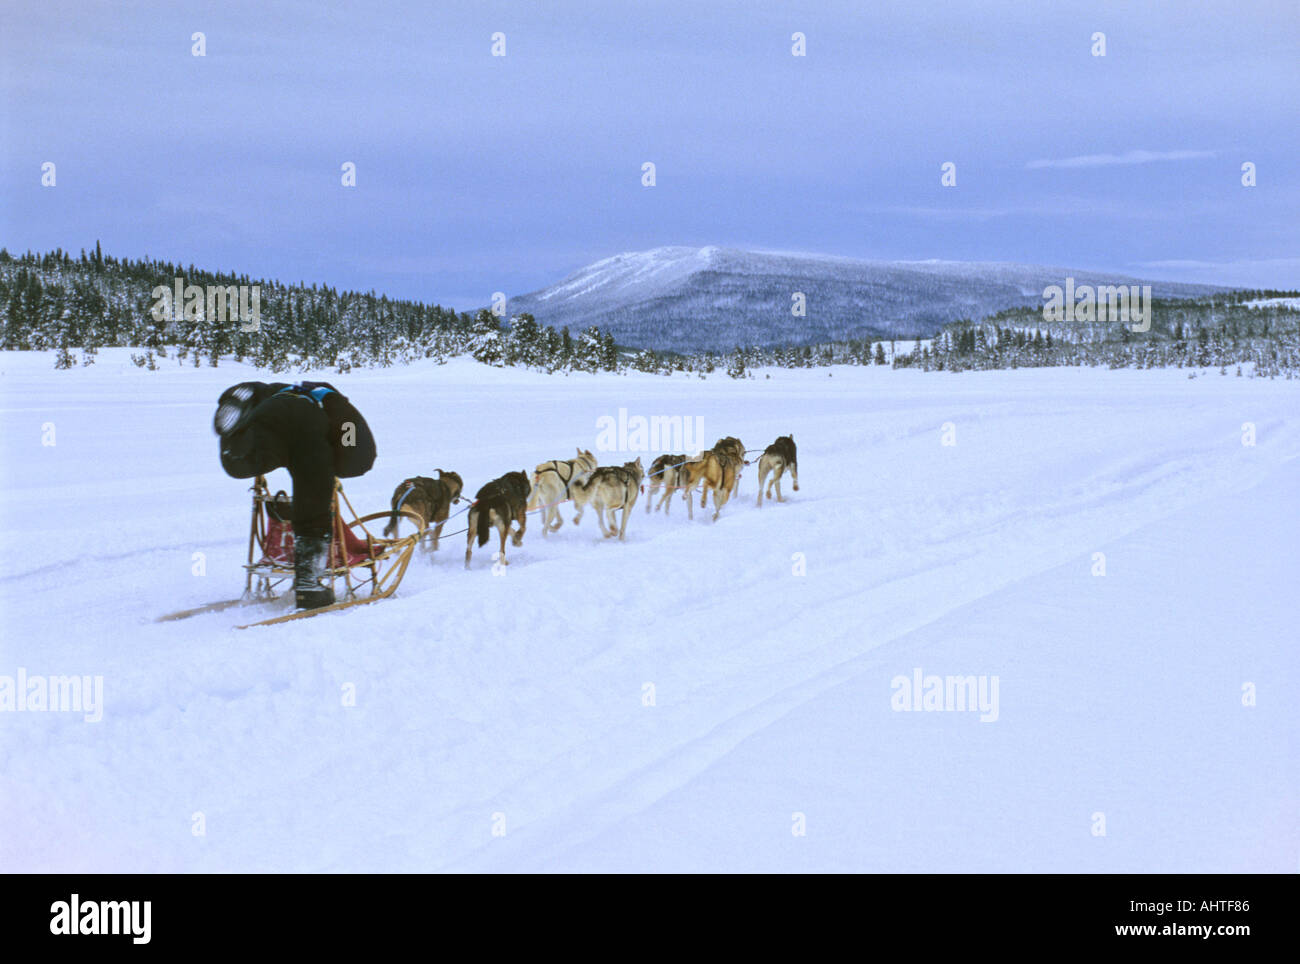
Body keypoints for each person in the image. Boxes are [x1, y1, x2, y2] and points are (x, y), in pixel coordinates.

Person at [213, 381, 376, 610]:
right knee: (313, 498)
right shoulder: (335, 403)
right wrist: (334, 465)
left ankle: (235, 444)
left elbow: (259, 389)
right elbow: (358, 451)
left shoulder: (281, 390)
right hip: (305, 427)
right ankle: (309, 583)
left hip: (267, 416)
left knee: (244, 461)